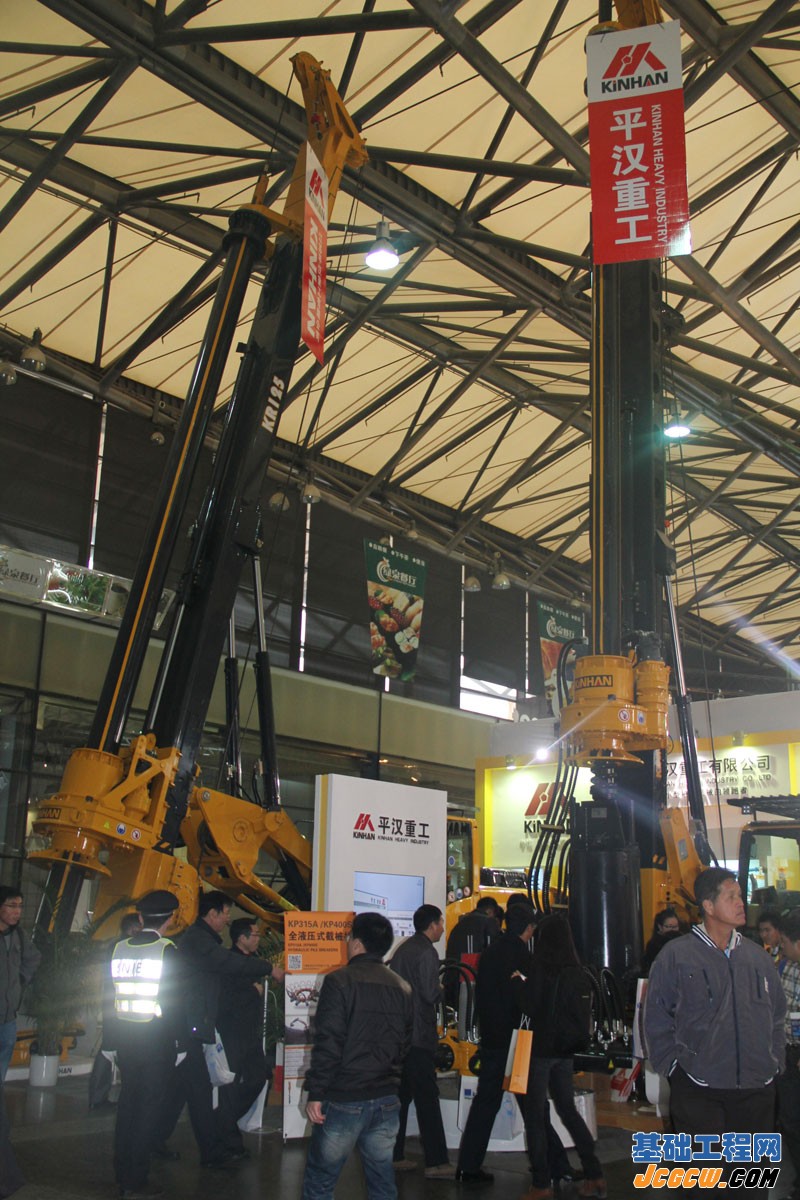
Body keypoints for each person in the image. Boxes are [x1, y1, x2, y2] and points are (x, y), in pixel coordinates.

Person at [644, 868, 785, 1156]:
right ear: (708, 906)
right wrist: (675, 1069)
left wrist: (774, 1064)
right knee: (707, 1176)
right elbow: (656, 1018)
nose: (740, 902)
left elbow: (777, 1017)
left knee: (751, 1178)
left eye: (740, 895)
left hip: (756, 1089)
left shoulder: (758, 958)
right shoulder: (676, 956)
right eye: (731, 896)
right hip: (699, 1090)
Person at [157, 890, 284, 1168]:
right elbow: (227, 963)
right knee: (200, 1092)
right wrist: (267, 968)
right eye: (225, 913)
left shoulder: (200, 940)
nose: (227, 918)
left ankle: (156, 1141)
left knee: (181, 1090)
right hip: (189, 1028)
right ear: (212, 914)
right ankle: (212, 1152)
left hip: (191, 1026)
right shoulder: (200, 942)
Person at [455, 902, 571, 1190]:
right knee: (535, 1107)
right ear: (529, 929)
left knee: (485, 1104)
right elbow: (529, 1001)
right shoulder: (524, 957)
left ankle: (468, 1166)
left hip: (493, 1040)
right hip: (518, 1043)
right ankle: (558, 1165)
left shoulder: (490, 953)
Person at [301, 911, 413, 1200]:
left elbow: (328, 1042)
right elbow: (405, 1044)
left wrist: (316, 1092)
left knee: (321, 1181)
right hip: (386, 1098)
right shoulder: (402, 987)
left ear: (357, 944)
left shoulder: (339, 981)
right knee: (382, 1181)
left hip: (344, 1097)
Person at [512, 914, 604, 1200]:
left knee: (535, 1117)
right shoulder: (578, 970)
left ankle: (541, 1184)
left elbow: (530, 1005)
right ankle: (594, 1174)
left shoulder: (541, 967)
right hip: (566, 1051)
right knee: (568, 1110)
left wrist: (518, 983)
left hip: (541, 1050)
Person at [106, 889, 184, 1200]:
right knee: (148, 1111)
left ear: (140, 917)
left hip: (126, 1039)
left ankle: (122, 1171)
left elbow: (107, 997)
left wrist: (110, 1041)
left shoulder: (118, 949)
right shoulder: (167, 952)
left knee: (128, 1107)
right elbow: (176, 1003)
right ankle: (135, 1180)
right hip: (156, 1042)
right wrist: (181, 1044)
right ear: (171, 919)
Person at [389, 903, 454, 1178]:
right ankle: (437, 1162)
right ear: (432, 925)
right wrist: (441, 989)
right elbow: (428, 993)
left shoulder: (403, 949)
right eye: (441, 923)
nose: (442, 929)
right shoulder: (427, 952)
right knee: (428, 1097)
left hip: (401, 1036)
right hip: (419, 1036)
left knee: (401, 1097)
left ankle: (394, 1155)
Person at [215, 918, 271, 1155]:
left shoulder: (254, 962)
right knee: (229, 1084)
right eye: (255, 935)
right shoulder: (228, 963)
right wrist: (251, 991)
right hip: (231, 1033)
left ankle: (221, 1121)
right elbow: (225, 1000)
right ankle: (228, 1138)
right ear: (242, 938)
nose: (258, 939)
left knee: (259, 1077)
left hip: (251, 1033)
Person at [0, 886, 40, 1081]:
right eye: (12, 905)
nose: (17, 911)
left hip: (8, 1016)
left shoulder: (19, 935)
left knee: (4, 1058)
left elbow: (33, 958)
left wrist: (20, 980)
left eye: (20, 906)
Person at [777, 911, 800, 1200]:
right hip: (788, 1053)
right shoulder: (788, 967)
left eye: (783, 941)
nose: (780, 947)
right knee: (790, 1119)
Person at [640, 907, 680, 976]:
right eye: (669, 926)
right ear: (660, 927)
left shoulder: (682, 943)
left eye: (675, 926)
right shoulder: (654, 945)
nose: (673, 930)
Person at [759, 908, 786, 973]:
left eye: (767, 930)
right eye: (761, 931)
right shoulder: (764, 950)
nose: (763, 935)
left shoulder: (786, 951)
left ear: (778, 929)